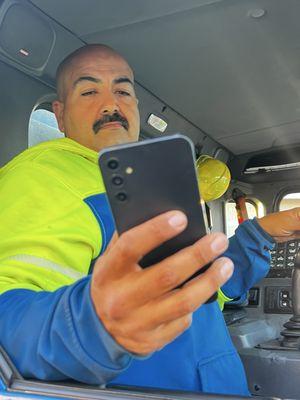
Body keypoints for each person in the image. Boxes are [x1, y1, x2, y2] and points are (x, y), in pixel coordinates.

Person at [0, 44, 299, 396]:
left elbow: (195, 291)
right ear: (60, 114)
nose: (111, 104)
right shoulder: (41, 176)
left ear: (137, 108)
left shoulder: (145, 182)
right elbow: (9, 313)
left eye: (123, 90)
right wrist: (96, 326)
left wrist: (260, 235)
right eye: (89, 91)